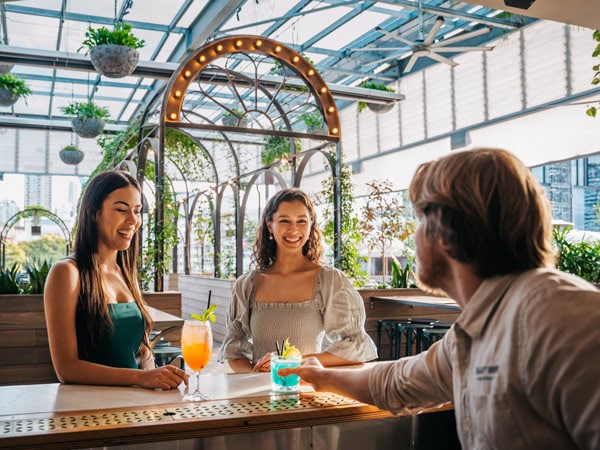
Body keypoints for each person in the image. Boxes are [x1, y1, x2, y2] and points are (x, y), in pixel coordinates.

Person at [281, 148, 600, 449]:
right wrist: (320, 376)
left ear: (447, 229)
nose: (414, 236)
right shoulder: (477, 327)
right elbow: (397, 383)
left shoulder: (563, 316)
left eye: (419, 219)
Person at [44, 170, 188, 390]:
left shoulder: (125, 273)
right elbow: (66, 368)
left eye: (137, 211)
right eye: (121, 210)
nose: (133, 220)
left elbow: (139, 349)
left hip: (133, 403)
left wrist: (155, 372)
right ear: (93, 213)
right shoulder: (66, 273)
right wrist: (140, 378)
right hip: (90, 409)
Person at [220, 187, 377, 373]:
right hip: (257, 392)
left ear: (311, 225)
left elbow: (356, 345)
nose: (293, 229)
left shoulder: (330, 280)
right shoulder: (247, 285)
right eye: (284, 220)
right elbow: (234, 350)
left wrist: (288, 363)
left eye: (301, 221)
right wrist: (255, 375)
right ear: (270, 225)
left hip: (308, 391)